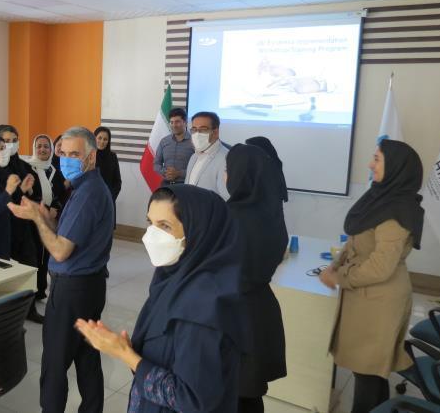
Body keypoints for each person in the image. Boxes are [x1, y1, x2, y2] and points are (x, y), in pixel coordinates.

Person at [75, 184, 246, 413]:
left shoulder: (203, 307)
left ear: (199, 232)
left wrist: (125, 354)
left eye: (165, 226)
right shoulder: (173, 279)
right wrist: (127, 349)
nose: (151, 236)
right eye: (150, 223)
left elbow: (191, 400)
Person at [8, 126, 114, 413]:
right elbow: (68, 235)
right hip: (90, 286)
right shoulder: (83, 188)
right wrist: (45, 217)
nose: (66, 160)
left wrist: (36, 219)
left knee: (55, 362)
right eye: (63, 153)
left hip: (73, 290)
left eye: (74, 154)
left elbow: (59, 250)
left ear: (91, 157)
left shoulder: (88, 193)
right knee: (86, 356)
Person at [319, 139, 424, 413]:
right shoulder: (380, 198)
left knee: (368, 371)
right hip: (366, 295)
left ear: (396, 167)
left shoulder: (397, 212)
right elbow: (356, 239)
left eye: (377, 159)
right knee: (371, 371)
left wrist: (340, 278)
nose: (369, 164)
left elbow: (380, 267)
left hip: (380, 300)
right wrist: (336, 264)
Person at [225, 144, 288, 413]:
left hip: (231, 316)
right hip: (261, 311)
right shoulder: (271, 214)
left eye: (228, 170)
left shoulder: (227, 217)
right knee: (251, 391)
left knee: (231, 391)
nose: (225, 176)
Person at [0, 124, 43, 323]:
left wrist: (28, 190)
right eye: (6, 141)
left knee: (30, 265)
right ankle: (5, 313)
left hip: (23, 225)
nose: (11, 145)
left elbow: (35, 194)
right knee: (3, 270)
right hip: (2, 227)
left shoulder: (22, 165)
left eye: (14, 140)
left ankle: (29, 309)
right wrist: (19, 191)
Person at [21, 134, 66, 300]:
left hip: (48, 221)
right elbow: (27, 195)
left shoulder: (54, 170)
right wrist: (46, 208)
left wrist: (55, 207)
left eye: (46, 146)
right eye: (39, 146)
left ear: (51, 149)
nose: (42, 149)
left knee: (44, 256)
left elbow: (61, 194)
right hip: (30, 221)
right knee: (31, 255)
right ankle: (29, 292)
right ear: (34, 148)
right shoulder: (27, 168)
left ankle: (40, 290)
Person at [184, 112, 229, 198]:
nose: (197, 134)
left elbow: (225, 198)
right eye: (194, 129)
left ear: (215, 132)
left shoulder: (226, 158)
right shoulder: (194, 157)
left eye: (203, 129)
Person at [153, 108, 194, 185]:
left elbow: (198, 169)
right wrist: (166, 172)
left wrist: (179, 173)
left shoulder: (194, 142)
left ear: (185, 123)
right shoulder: (164, 141)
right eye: (171, 122)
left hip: (185, 185)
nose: (174, 125)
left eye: (177, 122)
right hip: (166, 184)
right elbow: (156, 164)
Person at [245, 136, 288, 203]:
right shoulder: (270, 162)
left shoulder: (268, 166)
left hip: (266, 205)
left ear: (259, 148)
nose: (247, 151)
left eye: (250, 148)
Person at [94, 126, 122, 203]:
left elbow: (117, 182)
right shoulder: (88, 156)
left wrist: (110, 198)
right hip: (91, 200)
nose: (102, 141)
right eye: (99, 138)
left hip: (108, 200)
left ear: (108, 141)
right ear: (94, 138)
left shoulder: (113, 156)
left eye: (105, 139)